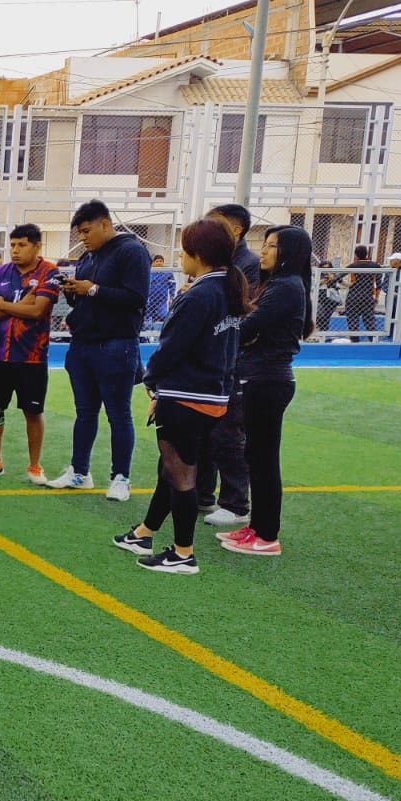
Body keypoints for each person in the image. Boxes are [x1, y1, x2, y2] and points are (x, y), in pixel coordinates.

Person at [113, 218, 247, 575]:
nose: (181, 258)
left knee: (180, 475)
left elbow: (173, 347)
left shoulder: (201, 294)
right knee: (172, 470)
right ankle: (145, 533)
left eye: (185, 251)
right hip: (212, 396)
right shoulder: (228, 289)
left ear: (198, 254)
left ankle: (183, 553)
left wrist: (152, 382)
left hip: (186, 394)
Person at [218, 225, 313, 557]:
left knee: (263, 459)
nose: (265, 251)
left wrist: (222, 322)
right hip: (262, 377)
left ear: (289, 253)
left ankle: (267, 534)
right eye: (266, 244)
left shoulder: (286, 287)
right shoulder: (278, 285)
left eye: (273, 246)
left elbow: (248, 326)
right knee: (255, 456)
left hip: (268, 380)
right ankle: (257, 526)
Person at [49, 200, 150, 500]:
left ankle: (121, 477)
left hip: (116, 344)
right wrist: (74, 292)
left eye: (86, 231)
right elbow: (88, 296)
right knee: (84, 412)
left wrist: (91, 289)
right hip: (83, 345)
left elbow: (136, 297)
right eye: (79, 233)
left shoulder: (131, 251)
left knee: (119, 414)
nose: (83, 238)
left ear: (105, 224)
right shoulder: (88, 257)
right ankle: (79, 471)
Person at [0, 224, 60, 482]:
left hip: (31, 356)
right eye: (13, 245)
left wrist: (3, 304)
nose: (16, 250)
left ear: (37, 246)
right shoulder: (0, 272)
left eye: (22, 245)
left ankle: (34, 467)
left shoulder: (49, 272)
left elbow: (37, 311)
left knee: (32, 410)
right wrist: (19, 305)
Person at [196, 203, 260, 525]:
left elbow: (240, 314)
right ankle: (202, 495)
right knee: (207, 430)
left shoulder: (247, 265)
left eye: (215, 224)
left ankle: (235, 503)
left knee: (228, 433)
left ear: (235, 230)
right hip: (217, 360)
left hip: (237, 363)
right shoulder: (221, 264)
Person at [343, 245, 381, 340]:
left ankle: (354, 340)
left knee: (352, 319)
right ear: (366, 253)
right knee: (369, 319)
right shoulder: (375, 266)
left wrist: (347, 284)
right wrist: (376, 297)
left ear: (356, 254)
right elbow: (378, 284)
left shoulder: (353, 265)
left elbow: (337, 277)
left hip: (354, 295)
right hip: (367, 295)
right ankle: (373, 339)